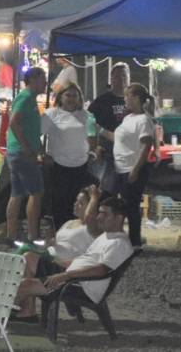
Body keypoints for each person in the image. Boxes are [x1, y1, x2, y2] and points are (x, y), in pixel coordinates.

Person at [13, 196, 134, 321]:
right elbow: (86, 259)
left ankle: (8, 312)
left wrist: (65, 276)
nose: (99, 217)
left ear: (119, 218)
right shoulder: (106, 236)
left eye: (105, 214)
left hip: (81, 285)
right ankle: (27, 311)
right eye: (99, 213)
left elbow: (101, 270)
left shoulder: (119, 243)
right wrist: (59, 263)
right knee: (29, 258)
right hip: (73, 275)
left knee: (23, 285)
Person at [98, 82, 154, 248]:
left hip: (131, 168)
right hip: (119, 168)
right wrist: (99, 129)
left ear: (135, 97)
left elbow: (146, 146)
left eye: (127, 96)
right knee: (114, 202)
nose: (124, 100)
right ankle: (119, 236)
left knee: (131, 206)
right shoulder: (128, 118)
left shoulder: (144, 120)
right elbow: (117, 138)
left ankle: (134, 241)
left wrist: (135, 170)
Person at [42, 83, 98, 228]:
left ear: (79, 98)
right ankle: (60, 234)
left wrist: (91, 151)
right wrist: (42, 154)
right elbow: (35, 135)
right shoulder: (51, 114)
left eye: (74, 95)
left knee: (78, 206)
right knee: (59, 205)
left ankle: (76, 234)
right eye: (68, 95)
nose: (71, 99)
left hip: (81, 167)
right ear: (60, 97)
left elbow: (92, 136)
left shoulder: (87, 116)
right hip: (58, 167)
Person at [5, 67, 47, 243]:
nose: (45, 83)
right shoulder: (26, 98)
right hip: (22, 153)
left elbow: (28, 128)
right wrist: (28, 149)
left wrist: (39, 149)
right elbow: (14, 122)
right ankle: (32, 235)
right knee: (36, 193)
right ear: (33, 80)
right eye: (43, 79)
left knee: (17, 194)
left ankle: (11, 235)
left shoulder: (29, 99)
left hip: (18, 152)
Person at [88, 62, 129, 194]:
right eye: (117, 76)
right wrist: (94, 147)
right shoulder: (102, 101)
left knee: (126, 192)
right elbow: (89, 124)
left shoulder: (133, 100)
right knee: (105, 191)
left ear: (129, 77)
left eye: (124, 75)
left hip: (129, 153)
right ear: (111, 79)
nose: (121, 79)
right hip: (107, 153)